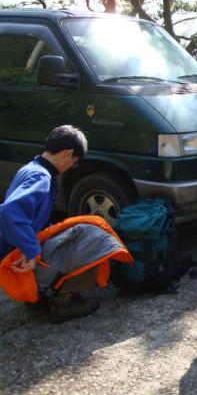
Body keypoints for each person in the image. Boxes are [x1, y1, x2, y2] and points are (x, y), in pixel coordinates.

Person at [0, 125, 131, 323]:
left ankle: (42, 293)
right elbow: (9, 211)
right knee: (95, 234)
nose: (72, 166)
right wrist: (31, 251)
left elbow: (32, 218)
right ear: (68, 154)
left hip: (13, 249)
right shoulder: (41, 177)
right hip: (15, 256)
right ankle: (65, 302)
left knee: (75, 229)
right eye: (74, 162)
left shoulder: (31, 168)